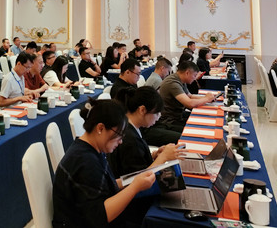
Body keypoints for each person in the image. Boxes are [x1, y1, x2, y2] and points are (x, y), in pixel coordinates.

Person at [52, 98, 155, 228]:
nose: (121, 141)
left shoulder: (87, 148)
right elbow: (100, 216)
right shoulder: (85, 162)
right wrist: (135, 187)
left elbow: (103, 185)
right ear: (100, 128)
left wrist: (133, 180)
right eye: (119, 135)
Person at [108, 87, 182, 176]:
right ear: (142, 110)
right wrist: (163, 157)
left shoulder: (131, 127)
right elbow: (136, 179)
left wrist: (154, 155)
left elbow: (135, 162)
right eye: (156, 113)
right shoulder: (130, 138)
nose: (159, 116)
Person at [155, 61, 216, 133]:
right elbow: (189, 103)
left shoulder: (179, 79)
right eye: (194, 75)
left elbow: (189, 96)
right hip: (169, 120)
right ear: (187, 73)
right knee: (199, 128)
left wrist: (207, 98)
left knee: (204, 118)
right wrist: (206, 99)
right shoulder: (172, 83)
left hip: (178, 115)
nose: (195, 79)